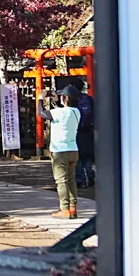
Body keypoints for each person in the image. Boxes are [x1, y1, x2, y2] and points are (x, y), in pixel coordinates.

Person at [41, 88, 83, 220]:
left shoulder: (60, 112)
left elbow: (41, 113)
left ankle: (64, 209)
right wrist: (55, 102)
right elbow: (63, 113)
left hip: (60, 151)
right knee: (71, 180)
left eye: (61, 96)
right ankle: (73, 208)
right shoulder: (76, 112)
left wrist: (40, 98)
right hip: (73, 149)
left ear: (66, 98)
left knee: (61, 181)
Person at [75, 88, 97, 188]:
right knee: (87, 157)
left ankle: (81, 180)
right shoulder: (89, 99)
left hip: (77, 131)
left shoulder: (74, 100)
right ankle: (90, 175)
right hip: (88, 131)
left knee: (78, 158)